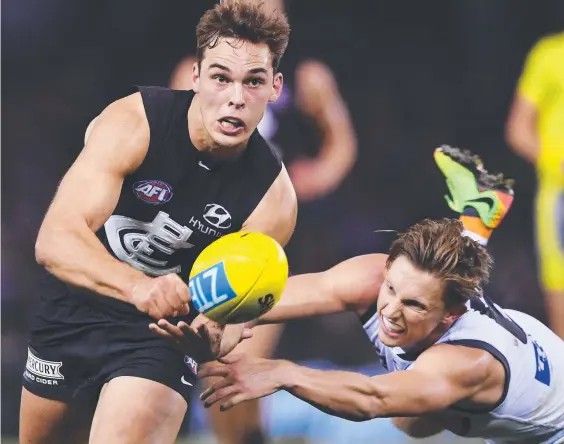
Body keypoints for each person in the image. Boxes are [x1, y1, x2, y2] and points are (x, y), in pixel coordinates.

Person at [20, 2, 297, 443]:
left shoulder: (273, 200)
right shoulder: (134, 122)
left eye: (254, 82)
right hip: (76, 306)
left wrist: (211, 338)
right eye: (221, 78)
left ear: (275, 88)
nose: (236, 98)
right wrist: (139, 286)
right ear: (196, 77)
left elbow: (230, 322)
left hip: (160, 336)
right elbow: (55, 240)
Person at [156, 147, 564, 443]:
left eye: (414, 305)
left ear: (449, 316)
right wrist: (214, 320)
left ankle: (477, 221)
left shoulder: (464, 363)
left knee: (408, 420)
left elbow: (371, 398)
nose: (391, 311)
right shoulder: (375, 278)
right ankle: (476, 219)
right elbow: (265, 300)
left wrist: (283, 373)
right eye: (391, 288)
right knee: (412, 422)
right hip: (487, 380)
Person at [170, 1, 357, 442]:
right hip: (208, 233)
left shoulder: (307, 75)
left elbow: (342, 143)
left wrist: (315, 177)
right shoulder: (194, 71)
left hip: (270, 239)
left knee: (234, 358)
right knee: (215, 367)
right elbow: (173, 142)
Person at [506, 31, 564, 339]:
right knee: (559, 281)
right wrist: (555, 162)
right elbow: (519, 129)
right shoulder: (549, 54)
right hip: (560, 195)